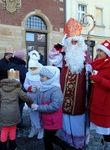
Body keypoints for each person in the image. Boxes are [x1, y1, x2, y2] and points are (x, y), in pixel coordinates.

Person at [48, 18, 90, 149]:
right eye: (71, 41)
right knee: (66, 115)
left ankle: (79, 140)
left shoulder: (85, 55)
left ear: (80, 42)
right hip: (65, 92)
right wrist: (60, 45)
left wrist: (90, 68)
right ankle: (68, 140)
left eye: (76, 41)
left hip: (80, 93)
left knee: (78, 115)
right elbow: (52, 56)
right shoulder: (64, 55)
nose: (74, 43)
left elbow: (91, 68)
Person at [31, 66, 65, 150]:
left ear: (50, 78)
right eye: (40, 76)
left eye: (42, 77)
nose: (40, 79)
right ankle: (65, 146)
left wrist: (39, 108)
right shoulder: (42, 87)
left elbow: (55, 106)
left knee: (47, 139)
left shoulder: (56, 90)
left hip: (53, 120)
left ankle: (64, 146)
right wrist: (34, 104)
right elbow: (38, 99)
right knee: (50, 137)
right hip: (46, 119)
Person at [0, 78, 33, 150]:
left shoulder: (1, 89)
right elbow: (26, 97)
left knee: (4, 129)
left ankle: (2, 147)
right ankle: (13, 146)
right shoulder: (17, 89)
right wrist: (32, 102)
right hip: (14, 113)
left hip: (4, 113)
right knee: (13, 128)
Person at [89, 40, 110, 150]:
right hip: (98, 101)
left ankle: (108, 145)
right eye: (98, 50)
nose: (98, 52)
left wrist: (99, 79)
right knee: (103, 129)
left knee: (107, 129)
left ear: (107, 53)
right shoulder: (97, 64)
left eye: (101, 51)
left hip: (106, 104)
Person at [24, 50, 44, 139]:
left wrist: (39, 88)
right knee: (31, 113)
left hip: (40, 97)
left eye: (34, 68)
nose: (32, 70)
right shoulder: (28, 74)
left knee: (39, 113)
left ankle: (40, 129)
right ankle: (34, 128)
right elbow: (25, 84)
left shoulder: (42, 72)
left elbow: (45, 83)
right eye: (31, 68)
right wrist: (30, 88)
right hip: (31, 97)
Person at [9, 50, 28, 128]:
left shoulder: (10, 64)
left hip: (10, 89)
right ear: (22, 57)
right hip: (20, 89)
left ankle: (14, 122)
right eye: (24, 56)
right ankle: (18, 122)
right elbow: (25, 77)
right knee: (19, 106)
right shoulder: (20, 66)